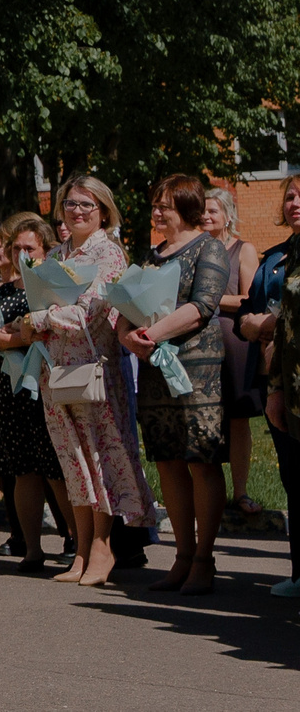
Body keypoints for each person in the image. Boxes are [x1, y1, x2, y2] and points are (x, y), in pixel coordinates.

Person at [25, 175, 151, 587]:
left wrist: (40, 319)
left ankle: (102, 545)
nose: (76, 211)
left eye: (86, 204)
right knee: (72, 459)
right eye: (70, 204)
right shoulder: (58, 253)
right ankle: (79, 549)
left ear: (103, 211)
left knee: (100, 457)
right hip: (55, 370)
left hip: (95, 371)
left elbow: (89, 312)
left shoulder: (108, 254)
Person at [128, 173, 232, 595]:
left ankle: (204, 560)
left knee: (199, 459)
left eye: (163, 205)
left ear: (186, 208)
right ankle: (181, 557)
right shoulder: (152, 255)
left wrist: (151, 335)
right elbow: (130, 304)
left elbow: (203, 305)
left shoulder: (210, 247)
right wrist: (126, 335)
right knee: (168, 460)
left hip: (197, 369)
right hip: (154, 368)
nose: (155, 211)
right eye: (154, 204)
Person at [0, 214, 69, 569]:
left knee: (55, 468)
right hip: (8, 386)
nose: (21, 254)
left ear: (46, 250)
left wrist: (7, 339)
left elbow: (44, 332)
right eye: (16, 248)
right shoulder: (1, 291)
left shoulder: (52, 287)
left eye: (29, 247)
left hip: (44, 385)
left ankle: (73, 541)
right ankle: (32, 549)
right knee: (21, 470)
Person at [237, 175, 300, 597]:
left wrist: (271, 323)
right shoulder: (280, 257)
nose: (295, 202)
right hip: (285, 380)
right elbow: (250, 309)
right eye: (290, 195)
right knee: (295, 478)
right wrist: (253, 325)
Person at [203, 186, 264, 523]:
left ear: (227, 215)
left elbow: (247, 299)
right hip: (200, 345)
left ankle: (240, 491)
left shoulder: (243, 249)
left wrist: (206, 298)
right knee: (208, 418)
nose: (206, 216)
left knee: (238, 419)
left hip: (235, 344)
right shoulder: (196, 249)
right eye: (203, 211)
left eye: (213, 210)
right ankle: (211, 492)